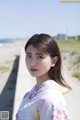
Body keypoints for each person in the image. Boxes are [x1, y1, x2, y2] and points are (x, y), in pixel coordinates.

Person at [16, 33, 71, 120]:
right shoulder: (32, 93)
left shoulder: (50, 99)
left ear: (53, 61)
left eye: (40, 57)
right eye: (29, 56)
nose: (32, 63)